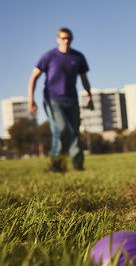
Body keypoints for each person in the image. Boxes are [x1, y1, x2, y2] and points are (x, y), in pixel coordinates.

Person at [28, 28, 94, 172]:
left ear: (72, 39)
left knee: (75, 132)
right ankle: (56, 165)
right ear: (58, 39)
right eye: (63, 38)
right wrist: (31, 99)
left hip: (72, 100)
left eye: (69, 38)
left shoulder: (78, 57)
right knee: (61, 128)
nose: (66, 41)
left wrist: (90, 96)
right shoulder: (49, 56)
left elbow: (84, 79)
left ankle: (78, 164)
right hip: (53, 100)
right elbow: (34, 77)